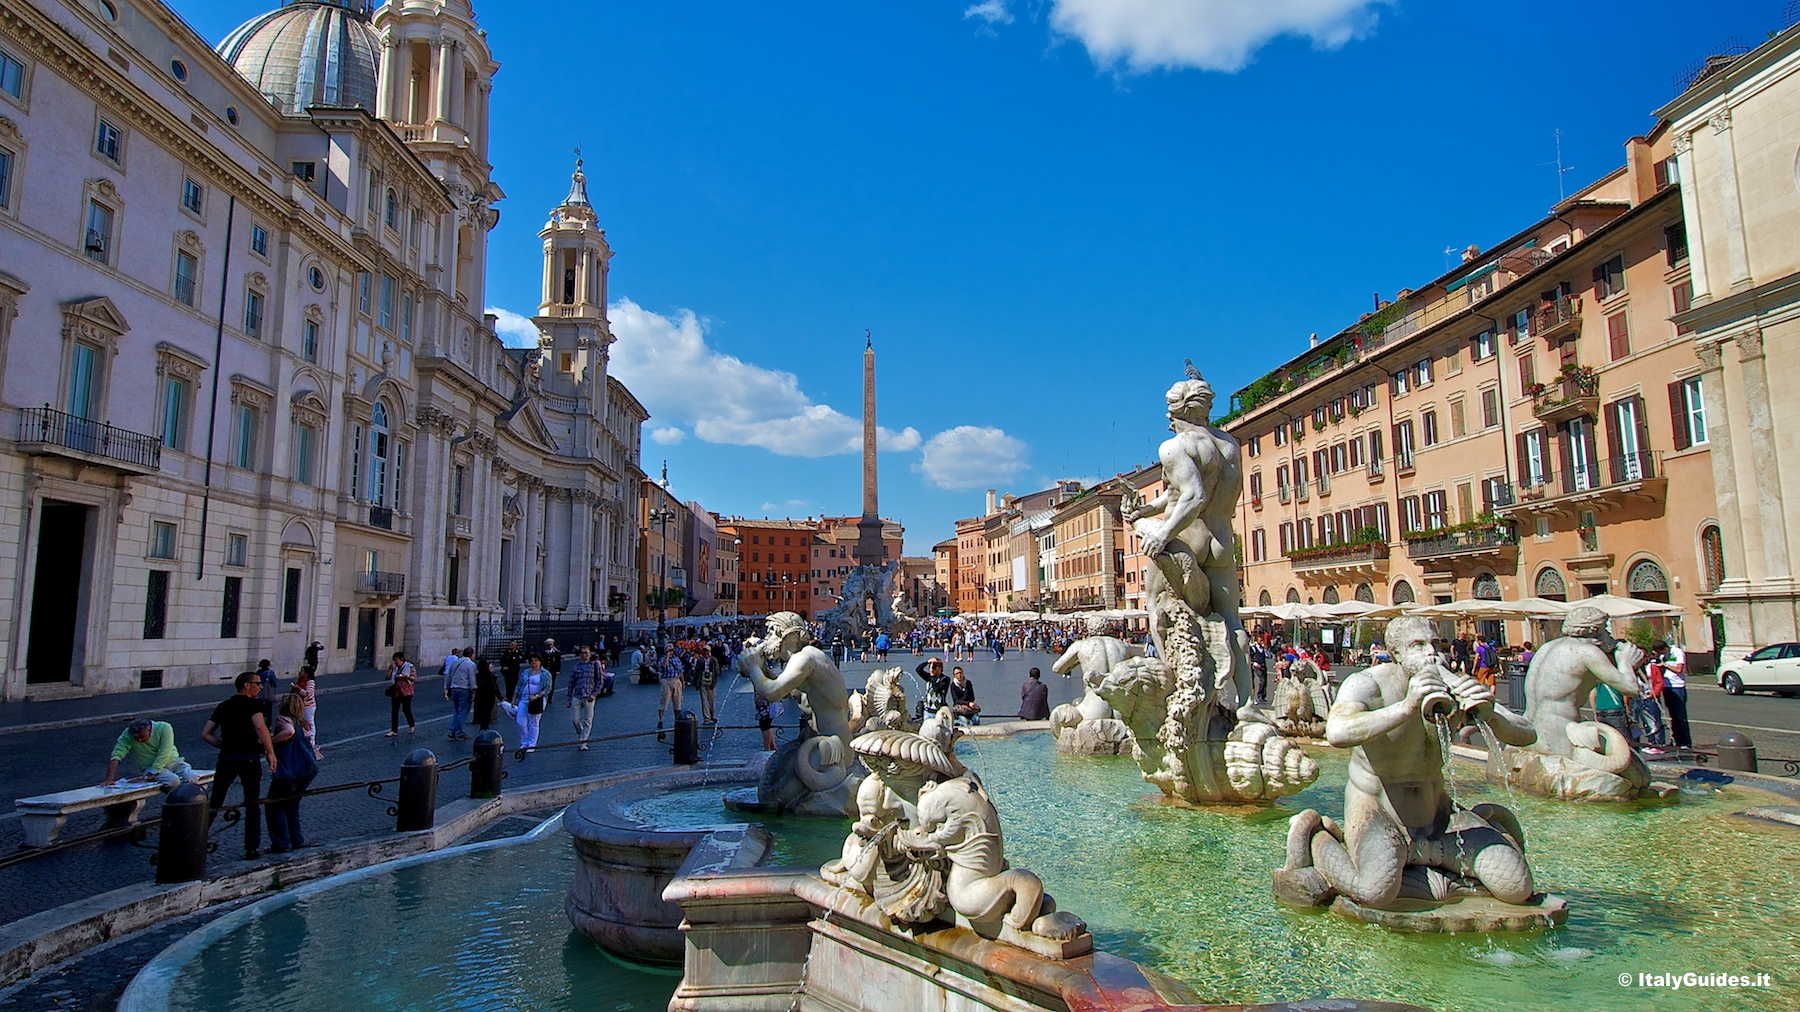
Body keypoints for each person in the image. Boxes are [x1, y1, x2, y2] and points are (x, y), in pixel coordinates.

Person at [201, 671, 278, 859]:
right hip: (249, 758)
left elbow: (206, 734)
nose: (260, 686)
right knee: (252, 803)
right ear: (246, 685)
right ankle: (251, 848)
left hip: (226, 758)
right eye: (257, 683)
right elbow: (260, 728)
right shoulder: (254, 705)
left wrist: (225, 745)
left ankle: (196, 838)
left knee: (215, 801)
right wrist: (270, 752)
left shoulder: (224, 706)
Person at [266, 691, 319, 854]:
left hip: (289, 773)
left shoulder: (283, 720)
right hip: (306, 771)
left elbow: (289, 732)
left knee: (275, 806)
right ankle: (296, 840)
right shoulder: (301, 722)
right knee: (292, 806)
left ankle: (281, 843)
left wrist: (269, 742)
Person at [104, 718, 197, 789]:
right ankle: (174, 800)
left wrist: (154, 770)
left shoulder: (164, 728)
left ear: (149, 729)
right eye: (136, 738)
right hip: (149, 767)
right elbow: (116, 755)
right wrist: (109, 778)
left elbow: (165, 751)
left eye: (142, 736)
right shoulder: (127, 735)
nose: (139, 740)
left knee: (190, 777)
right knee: (173, 781)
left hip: (173, 762)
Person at [510, 653, 552, 752]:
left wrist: (537, 696)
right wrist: (514, 698)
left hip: (537, 700)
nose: (534, 663)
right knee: (520, 721)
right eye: (532, 661)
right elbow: (518, 685)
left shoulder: (545, 674)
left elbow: (547, 689)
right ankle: (524, 742)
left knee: (534, 722)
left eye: (536, 661)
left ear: (540, 662)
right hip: (524, 698)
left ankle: (532, 743)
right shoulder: (525, 672)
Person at [566, 645, 601, 751]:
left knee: (588, 720)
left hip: (589, 696)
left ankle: (583, 742)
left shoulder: (595, 665)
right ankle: (582, 734)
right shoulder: (576, 666)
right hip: (577, 695)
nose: (584, 655)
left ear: (590, 654)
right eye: (582, 653)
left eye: (586, 653)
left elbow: (599, 681)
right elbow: (571, 683)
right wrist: (568, 698)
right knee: (575, 720)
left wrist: (594, 694)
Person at [1660, 641, 1693, 753]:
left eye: (1662, 652)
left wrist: (1665, 665)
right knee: (1673, 716)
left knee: (1680, 716)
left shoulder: (1676, 652)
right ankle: (1676, 740)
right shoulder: (1662, 656)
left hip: (1677, 687)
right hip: (1667, 687)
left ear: (1665, 648)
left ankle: (1685, 742)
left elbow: (1679, 669)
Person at [443, 646, 477, 741]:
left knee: (456, 710)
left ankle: (452, 731)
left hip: (454, 688)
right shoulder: (471, 664)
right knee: (463, 711)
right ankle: (459, 732)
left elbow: (449, 676)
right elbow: (472, 679)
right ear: (471, 654)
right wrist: (474, 691)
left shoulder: (455, 662)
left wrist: (447, 688)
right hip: (464, 689)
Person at [656, 647, 685, 742]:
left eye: (671, 650)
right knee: (664, 703)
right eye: (668, 650)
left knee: (677, 703)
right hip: (666, 681)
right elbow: (662, 667)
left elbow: (680, 671)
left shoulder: (677, 659)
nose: (670, 652)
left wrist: (683, 682)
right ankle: (661, 721)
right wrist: (667, 657)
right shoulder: (662, 659)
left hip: (676, 680)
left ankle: (677, 721)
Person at [385, 651, 417, 737]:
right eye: (394, 660)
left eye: (396, 660)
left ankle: (412, 726)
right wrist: (390, 669)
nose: (395, 662)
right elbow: (387, 678)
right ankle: (394, 730)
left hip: (406, 692)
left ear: (401, 659)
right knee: (394, 711)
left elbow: (414, 678)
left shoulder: (410, 666)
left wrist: (406, 677)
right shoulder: (394, 667)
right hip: (396, 691)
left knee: (406, 709)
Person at [293, 668, 321, 759]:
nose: (300, 672)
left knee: (309, 723)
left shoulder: (310, 682)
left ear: (306, 673)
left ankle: (312, 742)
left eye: (302, 671)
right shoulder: (300, 680)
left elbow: (308, 694)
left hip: (308, 706)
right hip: (301, 705)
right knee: (302, 724)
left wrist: (298, 689)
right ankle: (305, 740)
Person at [473, 657, 502, 733]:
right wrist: (500, 697)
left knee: (482, 713)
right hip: (489, 697)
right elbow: (494, 687)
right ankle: (485, 728)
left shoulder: (478, 675)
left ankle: (482, 727)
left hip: (480, 697)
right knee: (487, 713)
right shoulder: (490, 675)